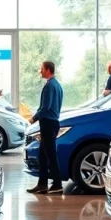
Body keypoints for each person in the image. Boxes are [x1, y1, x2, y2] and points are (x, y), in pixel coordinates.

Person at [27, 61, 64, 195]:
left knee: (50, 155)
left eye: (42, 68)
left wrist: (33, 118)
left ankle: (57, 184)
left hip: (48, 123)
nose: (40, 71)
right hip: (52, 123)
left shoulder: (49, 85)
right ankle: (42, 184)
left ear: (48, 70)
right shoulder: (58, 85)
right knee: (42, 155)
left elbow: (46, 107)